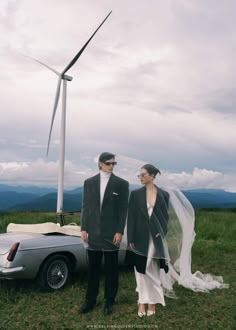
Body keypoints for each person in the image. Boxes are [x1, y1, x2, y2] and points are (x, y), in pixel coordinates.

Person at [80, 152, 129, 315]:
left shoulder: (122, 184)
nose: (112, 166)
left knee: (111, 269)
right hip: (92, 232)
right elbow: (86, 207)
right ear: (100, 164)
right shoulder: (89, 182)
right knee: (93, 268)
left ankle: (109, 300)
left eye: (114, 163)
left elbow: (123, 210)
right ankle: (90, 300)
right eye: (109, 163)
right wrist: (83, 229)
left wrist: (120, 231)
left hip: (111, 234)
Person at [127, 164, 169, 317]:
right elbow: (131, 217)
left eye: (143, 174)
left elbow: (165, 219)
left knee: (152, 267)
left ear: (152, 176)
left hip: (155, 239)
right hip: (138, 238)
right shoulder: (135, 194)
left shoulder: (164, 195)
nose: (140, 177)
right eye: (139, 175)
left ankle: (151, 301)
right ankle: (142, 301)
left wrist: (161, 233)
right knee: (140, 268)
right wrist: (130, 237)